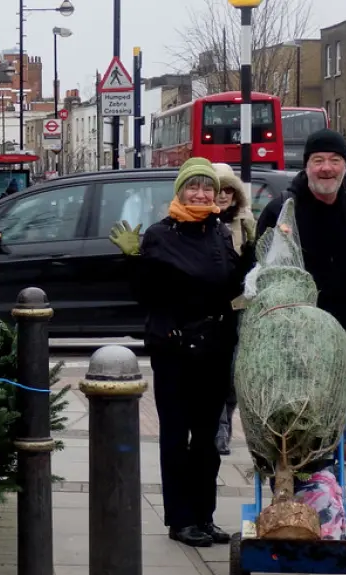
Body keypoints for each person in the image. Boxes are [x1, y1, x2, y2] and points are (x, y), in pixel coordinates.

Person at [109, 157, 254, 548]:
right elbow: (145, 295)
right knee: (176, 435)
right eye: (194, 187)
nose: (202, 194)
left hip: (215, 346)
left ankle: (204, 516)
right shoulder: (160, 234)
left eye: (208, 188)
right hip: (174, 347)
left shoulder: (220, 234)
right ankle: (180, 519)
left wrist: (253, 253)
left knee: (207, 438)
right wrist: (132, 260)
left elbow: (232, 287)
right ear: (180, 191)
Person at [256, 129, 346, 464]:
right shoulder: (282, 211)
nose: (327, 168)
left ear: (345, 165)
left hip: (339, 323)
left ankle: (344, 439)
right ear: (306, 165)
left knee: (341, 382)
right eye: (318, 160)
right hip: (293, 327)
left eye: (334, 160)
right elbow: (259, 273)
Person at [210, 162, 258, 456]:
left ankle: (225, 418)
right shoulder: (202, 222)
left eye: (229, 189)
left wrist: (252, 248)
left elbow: (253, 269)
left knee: (233, 375)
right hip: (210, 309)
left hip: (239, 308)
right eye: (219, 188)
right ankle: (218, 428)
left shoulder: (244, 222)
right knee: (213, 373)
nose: (224, 195)